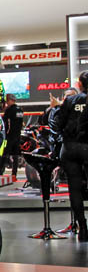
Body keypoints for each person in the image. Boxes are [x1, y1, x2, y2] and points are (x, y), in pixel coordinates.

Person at [51, 71, 88, 242]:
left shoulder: (71, 101)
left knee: (74, 188)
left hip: (70, 148)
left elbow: (58, 123)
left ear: (79, 84)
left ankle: (83, 229)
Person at [0, 94, 24, 180]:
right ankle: (14, 173)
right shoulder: (20, 110)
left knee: (5, 153)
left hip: (10, 135)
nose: (7, 103)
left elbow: (5, 122)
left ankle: (0, 170)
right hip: (18, 135)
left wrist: (6, 133)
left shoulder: (10, 110)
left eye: (7, 101)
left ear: (11, 101)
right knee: (15, 155)